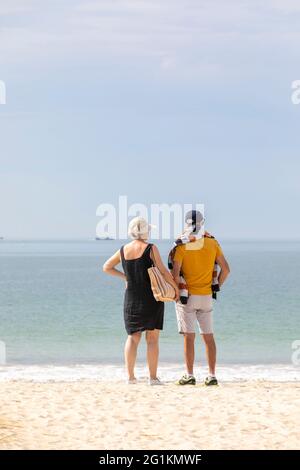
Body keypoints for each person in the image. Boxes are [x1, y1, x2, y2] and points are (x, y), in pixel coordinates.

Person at [103, 216, 179, 385]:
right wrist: (175, 288)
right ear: (145, 231)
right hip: (152, 297)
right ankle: (152, 378)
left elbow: (106, 267)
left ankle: (130, 377)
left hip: (131, 298)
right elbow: (164, 271)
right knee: (152, 339)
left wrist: (126, 278)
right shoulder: (150, 248)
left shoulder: (123, 250)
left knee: (132, 337)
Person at [171, 210, 230, 386]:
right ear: (202, 223)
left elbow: (175, 275)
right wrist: (216, 285)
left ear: (186, 224)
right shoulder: (212, 243)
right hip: (206, 296)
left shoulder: (181, 245)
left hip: (187, 297)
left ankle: (189, 375)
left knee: (189, 337)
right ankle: (211, 376)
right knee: (208, 336)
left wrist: (175, 292)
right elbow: (226, 269)